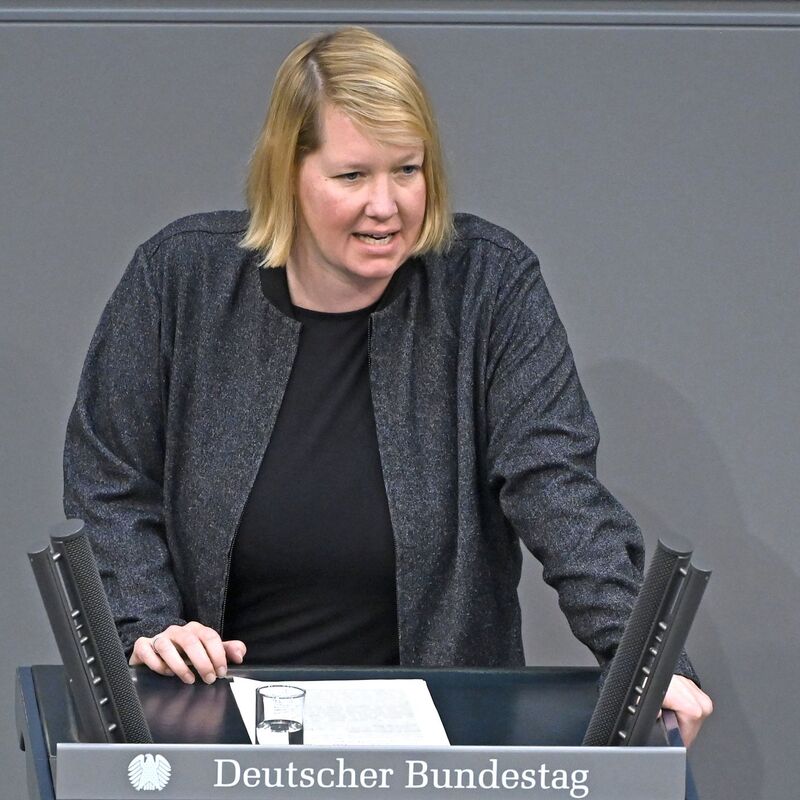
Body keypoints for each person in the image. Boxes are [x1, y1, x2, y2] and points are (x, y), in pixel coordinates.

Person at [63, 27, 712, 744]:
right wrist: (148, 628)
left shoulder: (488, 286)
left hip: (437, 740)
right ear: (287, 173)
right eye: (352, 176)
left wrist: (645, 665)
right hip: (218, 735)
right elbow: (110, 480)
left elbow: (555, 485)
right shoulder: (179, 279)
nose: (387, 205)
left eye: (407, 170)